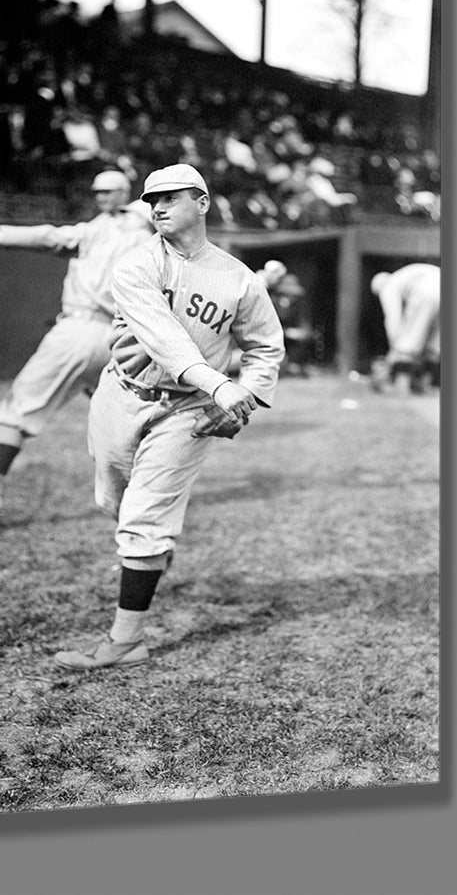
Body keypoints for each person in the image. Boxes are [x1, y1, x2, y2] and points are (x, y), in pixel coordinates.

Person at [54, 164, 285, 670]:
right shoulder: (136, 264)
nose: (155, 206)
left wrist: (244, 395)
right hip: (122, 393)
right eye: (150, 199)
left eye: (170, 197)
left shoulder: (237, 278)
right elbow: (164, 337)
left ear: (202, 202)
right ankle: (149, 554)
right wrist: (220, 383)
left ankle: (126, 640)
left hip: (188, 412)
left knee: (143, 522)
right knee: (111, 500)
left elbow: (267, 347)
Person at [0, 169, 154, 527]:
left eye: (107, 192)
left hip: (81, 330)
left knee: (16, 411)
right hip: (120, 338)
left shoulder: (100, 230)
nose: (100, 198)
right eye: (97, 191)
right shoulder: (154, 236)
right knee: (128, 421)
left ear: (124, 194)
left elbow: (47, 236)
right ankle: (143, 497)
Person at [370, 263, 441, 394]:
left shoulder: (388, 285)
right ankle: (425, 385)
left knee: (409, 343)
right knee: (435, 344)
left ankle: (403, 386)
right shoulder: (405, 275)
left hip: (426, 292)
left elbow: (393, 318)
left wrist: (396, 346)